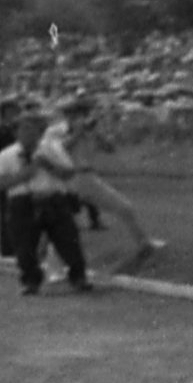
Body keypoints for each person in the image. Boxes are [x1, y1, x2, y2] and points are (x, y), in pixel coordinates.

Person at [48, 98, 161, 270]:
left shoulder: (89, 130)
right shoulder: (56, 130)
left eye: (82, 113)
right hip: (67, 178)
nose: (81, 116)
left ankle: (143, 243)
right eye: (76, 113)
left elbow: (110, 149)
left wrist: (99, 135)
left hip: (86, 178)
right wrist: (77, 133)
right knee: (63, 224)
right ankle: (50, 265)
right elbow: (59, 151)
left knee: (124, 208)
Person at [2, 101, 91, 295]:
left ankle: (79, 278)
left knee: (69, 241)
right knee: (24, 247)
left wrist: (47, 165)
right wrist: (25, 175)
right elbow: (2, 183)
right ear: (16, 132)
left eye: (32, 129)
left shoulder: (52, 148)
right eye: (23, 129)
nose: (28, 134)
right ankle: (31, 281)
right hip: (22, 202)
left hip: (53, 199)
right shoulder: (7, 155)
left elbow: (68, 172)